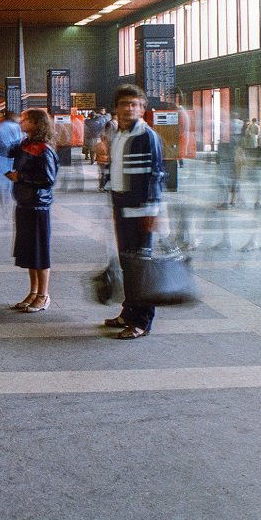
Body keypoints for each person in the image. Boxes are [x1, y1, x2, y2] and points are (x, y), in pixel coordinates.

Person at [102, 84, 165, 339]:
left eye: (134, 104)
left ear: (142, 108)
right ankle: (128, 312)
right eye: (124, 104)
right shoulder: (119, 134)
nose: (129, 108)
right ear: (116, 108)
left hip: (141, 211)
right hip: (122, 206)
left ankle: (142, 321)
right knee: (128, 263)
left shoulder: (147, 136)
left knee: (140, 267)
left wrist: (151, 211)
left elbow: (156, 175)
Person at [5, 108, 59, 313]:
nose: (21, 121)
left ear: (36, 123)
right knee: (29, 251)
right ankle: (33, 291)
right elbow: (9, 152)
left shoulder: (44, 149)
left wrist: (21, 179)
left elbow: (48, 179)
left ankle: (43, 295)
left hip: (38, 205)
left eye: (25, 119)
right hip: (25, 203)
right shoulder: (26, 144)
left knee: (39, 251)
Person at [0, 111, 23, 209]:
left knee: (2, 171)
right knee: (12, 170)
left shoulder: (1, 126)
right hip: (14, 153)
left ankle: (1, 190)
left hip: (3, 153)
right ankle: (9, 190)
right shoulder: (16, 126)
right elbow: (20, 138)